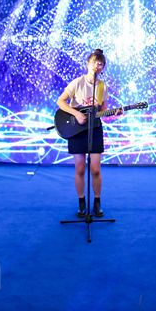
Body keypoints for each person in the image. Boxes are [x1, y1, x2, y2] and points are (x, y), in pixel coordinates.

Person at [56, 49, 121, 218]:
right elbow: (60, 101)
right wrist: (76, 114)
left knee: (95, 169)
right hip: (77, 130)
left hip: (95, 128)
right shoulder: (77, 83)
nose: (96, 66)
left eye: (100, 64)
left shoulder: (102, 87)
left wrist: (114, 113)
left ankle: (97, 202)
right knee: (80, 168)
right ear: (87, 64)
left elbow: (103, 111)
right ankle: (81, 202)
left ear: (103, 68)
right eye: (94, 63)